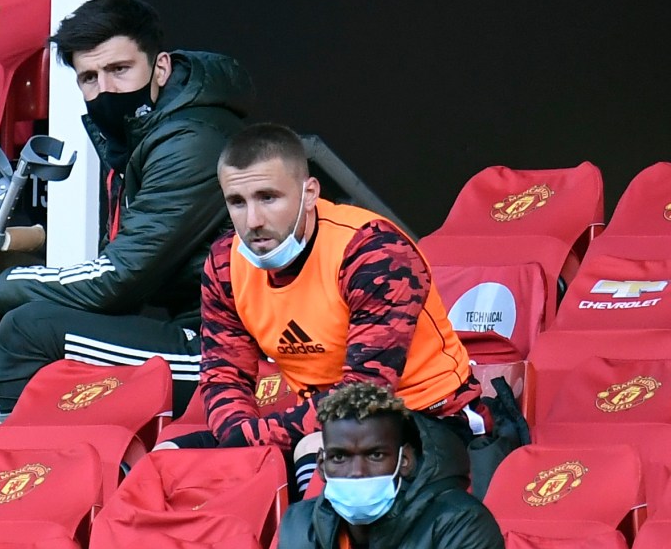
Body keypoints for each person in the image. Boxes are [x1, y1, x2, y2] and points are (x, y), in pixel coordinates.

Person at [0, 0, 253, 421]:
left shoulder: (190, 141)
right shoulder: (139, 136)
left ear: (160, 68)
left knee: (26, 333)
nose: (105, 90)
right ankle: (57, 471)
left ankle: (32, 477)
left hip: (228, 351)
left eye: (119, 70)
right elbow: (116, 282)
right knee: (17, 333)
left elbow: (119, 278)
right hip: (195, 330)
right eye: (89, 78)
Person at [161, 122, 485, 487]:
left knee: (316, 450)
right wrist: (238, 434)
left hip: (430, 417)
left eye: (268, 197)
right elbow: (224, 374)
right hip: (317, 419)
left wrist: (252, 438)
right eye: (237, 202)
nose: (253, 221)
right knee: (166, 460)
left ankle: (310, 545)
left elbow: (365, 394)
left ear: (310, 193)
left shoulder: (374, 253)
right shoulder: (224, 263)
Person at [273, 382, 508, 549]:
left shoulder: (460, 523)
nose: (356, 472)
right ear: (322, 466)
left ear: (404, 460)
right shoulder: (299, 526)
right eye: (340, 457)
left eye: (375, 455)